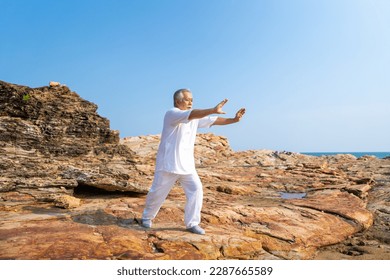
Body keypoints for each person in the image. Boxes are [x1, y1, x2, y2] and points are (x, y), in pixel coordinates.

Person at [141, 88, 246, 235]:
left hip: (187, 165)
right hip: (168, 164)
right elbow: (194, 113)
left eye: (192, 99)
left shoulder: (195, 118)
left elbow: (214, 120)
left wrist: (234, 120)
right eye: (187, 99)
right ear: (178, 101)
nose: (191, 101)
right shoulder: (172, 114)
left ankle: (192, 223)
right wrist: (212, 109)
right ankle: (147, 217)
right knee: (157, 192)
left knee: (196, 190)